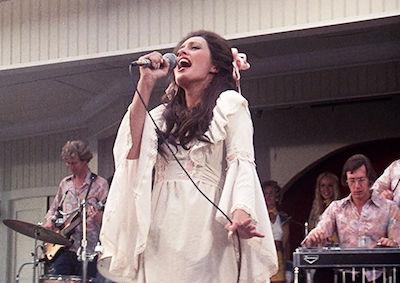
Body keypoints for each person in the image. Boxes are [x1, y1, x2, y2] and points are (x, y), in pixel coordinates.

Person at [98, 30, 278, 283]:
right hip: (159, 228)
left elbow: (242, 161)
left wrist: (241, 209)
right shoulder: (161, 115)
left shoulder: (229, 104)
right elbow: (130, 151)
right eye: (181, 48)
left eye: (194, 48)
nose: (182, 52)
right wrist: (146, 82)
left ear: (215, 66)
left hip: (205, 226)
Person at [303, 154, 400, 283]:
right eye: (352, 180)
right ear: (346, 181)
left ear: (369, 180)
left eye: (361, 180)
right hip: (346, 276)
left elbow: (397, 243)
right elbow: (320, 229)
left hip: (377, 276)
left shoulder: (389, 208)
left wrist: (391, 244)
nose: (357, 186)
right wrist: (314, 237)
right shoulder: (337, 208)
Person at [42, 140, 109, 279]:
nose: (70, 166)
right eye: (67, 163)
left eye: (74, 163)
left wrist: (98, 217)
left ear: (85, 161)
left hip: (89, 250)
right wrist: (48, 221)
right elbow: (53, 209)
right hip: (64, 247)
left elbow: (110, 218)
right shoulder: (65, 184)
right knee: (56, 279)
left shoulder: (100, 184)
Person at [262, 181, 290, 283]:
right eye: (265, 193)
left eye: (271, 194)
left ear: (276, 197)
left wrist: (287, 264)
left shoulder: (283, 217)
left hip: (278, 257)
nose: (268, 197)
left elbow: (286, 243)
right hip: (263, 256)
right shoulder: (258, 216)